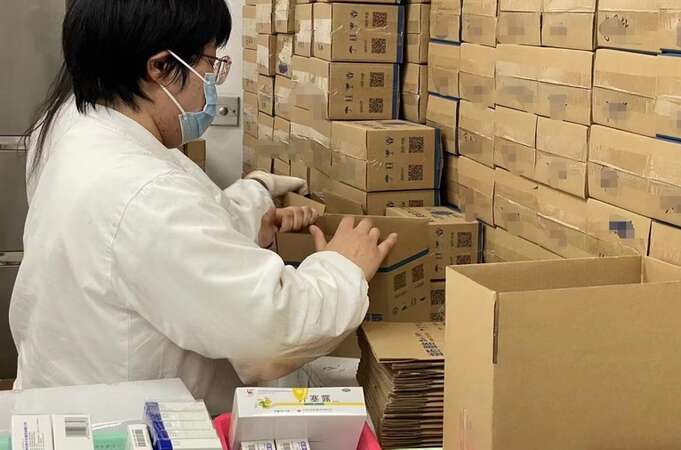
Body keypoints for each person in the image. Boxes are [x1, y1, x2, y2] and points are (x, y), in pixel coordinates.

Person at [11, 0, 397, 412]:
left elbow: (179, 235)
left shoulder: (77, 127)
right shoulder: (143, 190)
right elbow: (271, 332)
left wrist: (253, 212)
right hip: (124, 418)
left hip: (68, 393)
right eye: (210, 65)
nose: (210, 83)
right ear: (160, 67)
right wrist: (342, 267)